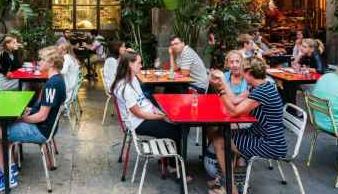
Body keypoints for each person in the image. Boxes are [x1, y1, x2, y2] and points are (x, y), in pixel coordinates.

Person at [0, 46, 66, 192]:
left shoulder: (52, 85)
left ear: (51, 62)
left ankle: (7, 177)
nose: (38, 63)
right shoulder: (58, 80)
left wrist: (20, 119)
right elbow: (41, 110)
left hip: (40, 130)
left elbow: (42, 116)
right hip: (46, 127)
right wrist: (29, 111)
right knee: (4, 128)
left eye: (41, 60)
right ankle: (10, 165)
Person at [207, 57, 287, 194]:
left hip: (270, 143)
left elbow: (234, 111)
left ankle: (231, 189)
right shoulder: (262, 86)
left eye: (243, 71)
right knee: (219, 135)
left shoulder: (262, 91)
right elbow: (234, 99)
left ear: (249, 72)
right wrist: (223, 83)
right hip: (259, 134)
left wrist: (220, 90)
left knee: (220, 141)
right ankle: (224, 181)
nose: (242, 74)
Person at [111, 52, 191, 181]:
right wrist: (161, 116)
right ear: (130, 65)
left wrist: (158, 111)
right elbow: (139, 113)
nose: (141, 66)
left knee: (176, 124)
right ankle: (174, 167)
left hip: (144, 116)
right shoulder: (125, 86)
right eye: (139, 63)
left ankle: (169, 160)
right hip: (138, 123)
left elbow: (143, 101)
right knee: (176, 130)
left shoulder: (132, 78)